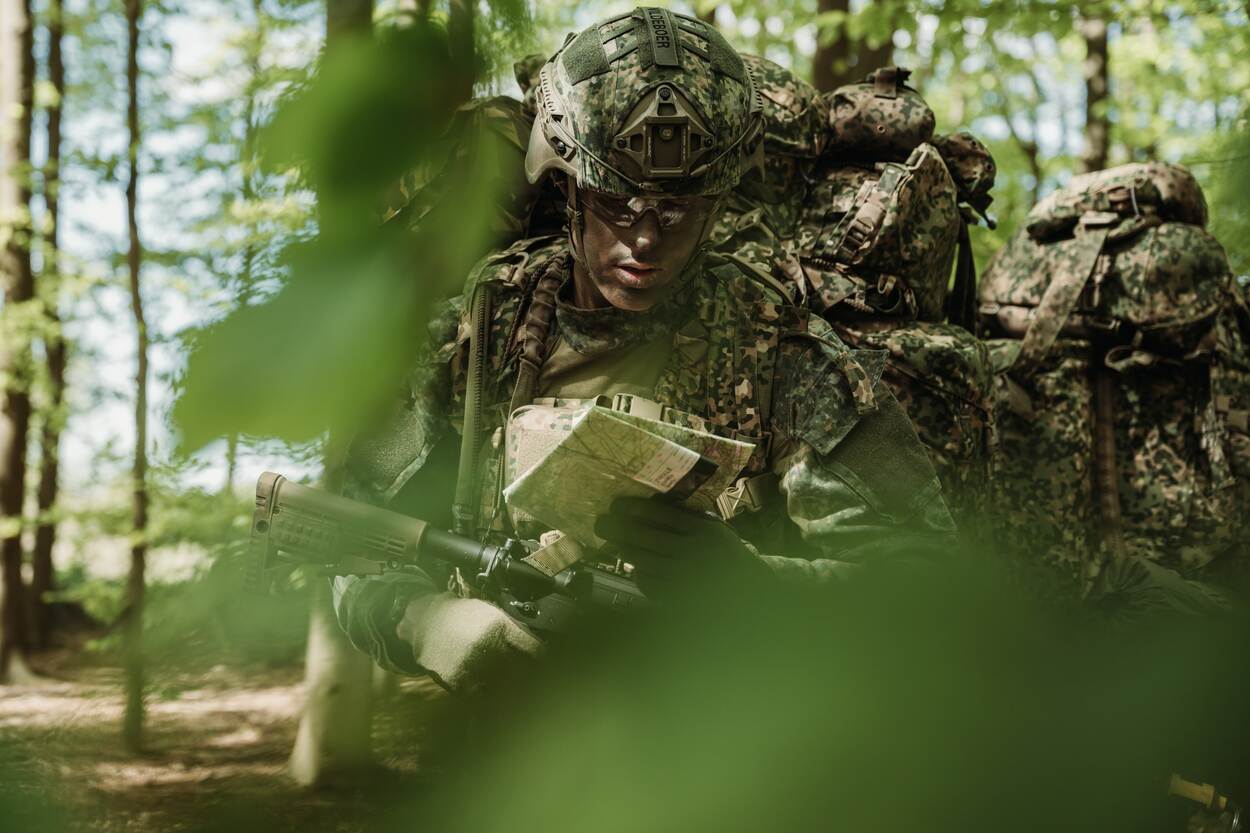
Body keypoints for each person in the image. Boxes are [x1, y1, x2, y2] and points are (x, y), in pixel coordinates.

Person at [332, 8, 955, 694]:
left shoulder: (780, 352)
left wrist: (755, 585)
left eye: (677, 209)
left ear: (716, 204)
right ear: (567, 186)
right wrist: (426, 621)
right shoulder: (479, 336)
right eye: (616, 203)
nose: (645, 239)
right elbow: (351, 540)